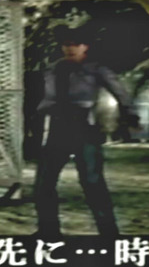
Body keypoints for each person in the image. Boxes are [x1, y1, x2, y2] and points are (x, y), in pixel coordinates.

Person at [33, 25, 141, 237]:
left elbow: (121, 93)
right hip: (57, 126)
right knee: (44, 182)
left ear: (85, 47)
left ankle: (108, 232)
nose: (70, 49)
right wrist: (38, 117)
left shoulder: (96, 69)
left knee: (92, 182)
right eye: (67, 45)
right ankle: (48, 229)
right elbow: (45, 98)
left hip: (83, 126)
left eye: (76, 44)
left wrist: (130, 117)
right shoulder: (53, 69)